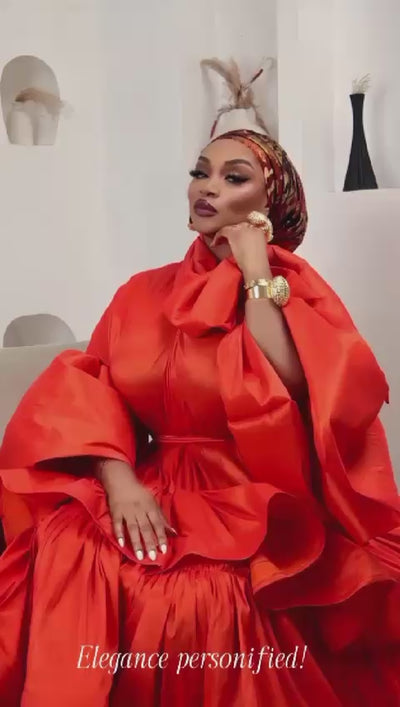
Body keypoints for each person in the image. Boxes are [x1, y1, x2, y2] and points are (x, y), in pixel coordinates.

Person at [0, 61, 400, 707]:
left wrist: (253, 267)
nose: (207, 187)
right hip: (148, 478)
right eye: (200, 172)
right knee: (71, 548)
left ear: (270, 203)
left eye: (234, 177)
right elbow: (92, 389)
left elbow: (286, 384)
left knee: (212, 594)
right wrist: (119, 481)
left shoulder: (290, 291)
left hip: (252, 493)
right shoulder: (140, 292)